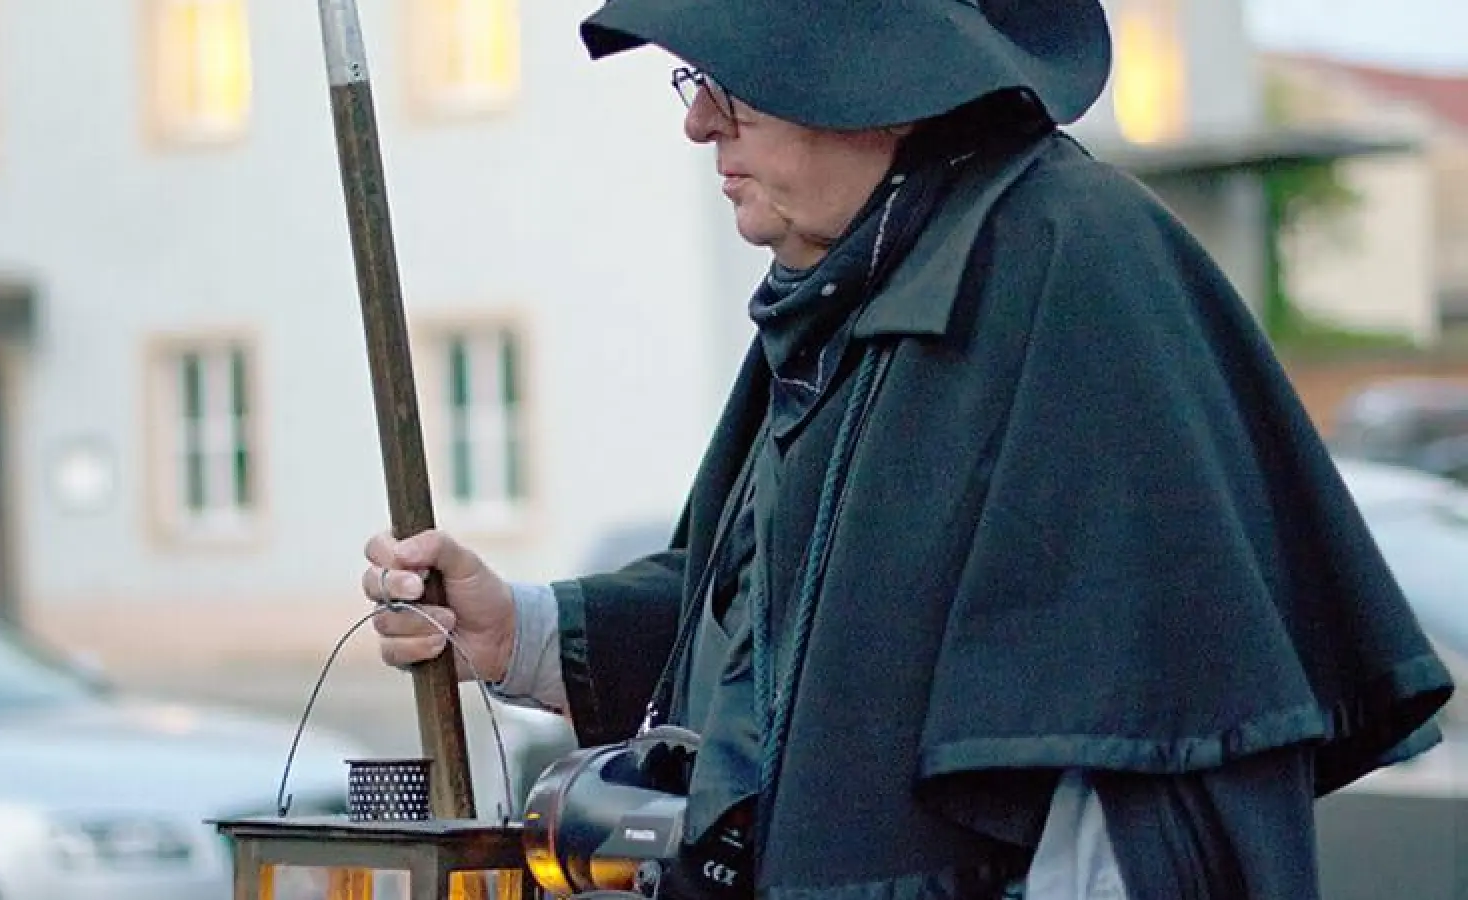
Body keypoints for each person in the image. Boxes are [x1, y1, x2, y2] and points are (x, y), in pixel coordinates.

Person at [363, 1, 1456, 898]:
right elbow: (794, 636)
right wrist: (521, 629)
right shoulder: (854, 280)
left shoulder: (1068, 266)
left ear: (867, 80)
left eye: (726, 80)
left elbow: (1127, 745)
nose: (700, 126)